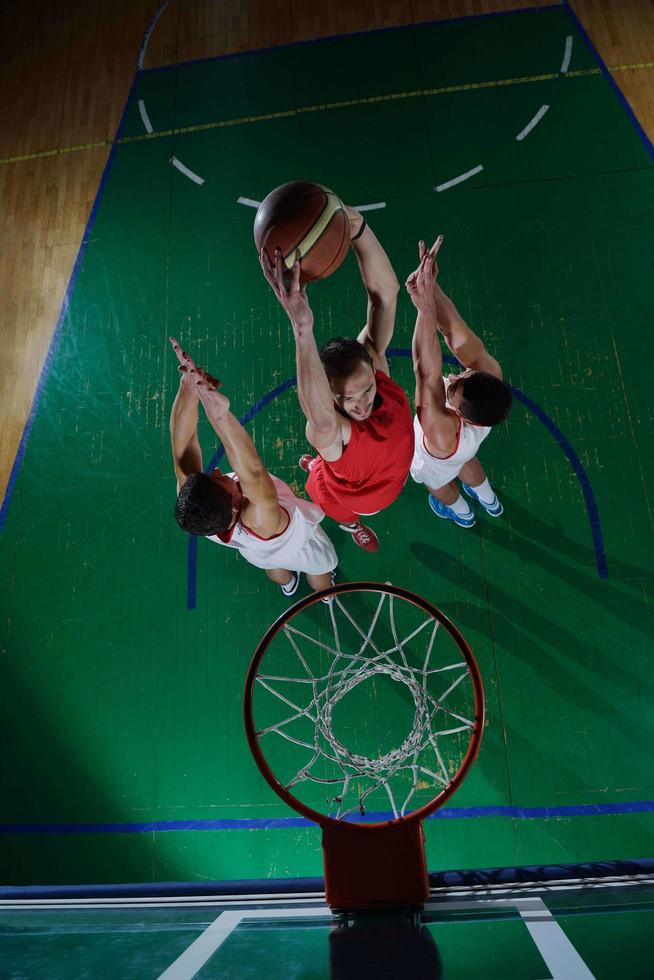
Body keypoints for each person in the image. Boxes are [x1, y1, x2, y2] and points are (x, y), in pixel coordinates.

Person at [259, 206, 414, 554]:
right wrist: (302, 326)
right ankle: (352, 525)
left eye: (368, 389)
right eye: (347, 399)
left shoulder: (374, 371)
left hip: (385, 482)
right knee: (334, 503)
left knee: (325, 460)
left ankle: (319, 468)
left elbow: (385, 294)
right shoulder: (332, 432)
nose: (363, 403)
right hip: (348, 494)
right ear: (331, 399)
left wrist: (359, 231)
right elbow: (319, 416)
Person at [169, 338, 337, 597]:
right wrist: (221, 415)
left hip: (258, 555)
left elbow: (182, 444)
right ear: (236, 503)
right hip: (301, 546)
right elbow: (253, 471)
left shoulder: (200, 508)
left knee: (274, 568)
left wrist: (189, 386)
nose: (216, 471)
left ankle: (286, 584)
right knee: (320, 572)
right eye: (219, 480)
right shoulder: (260, 520)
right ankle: (325, 593)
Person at [406, 238, 512, 528]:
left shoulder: (440, 431)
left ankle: (463, 514)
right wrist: (431, 287)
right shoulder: (490, 381)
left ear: (461, 414)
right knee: (468, 462)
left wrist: (424, 308)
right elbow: (453, 330)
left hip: (438, 459)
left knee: (436, 482)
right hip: (466, 449)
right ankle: (489, 500)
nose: (453, 376)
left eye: (452, 388)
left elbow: (424, 369)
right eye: (464, 375)